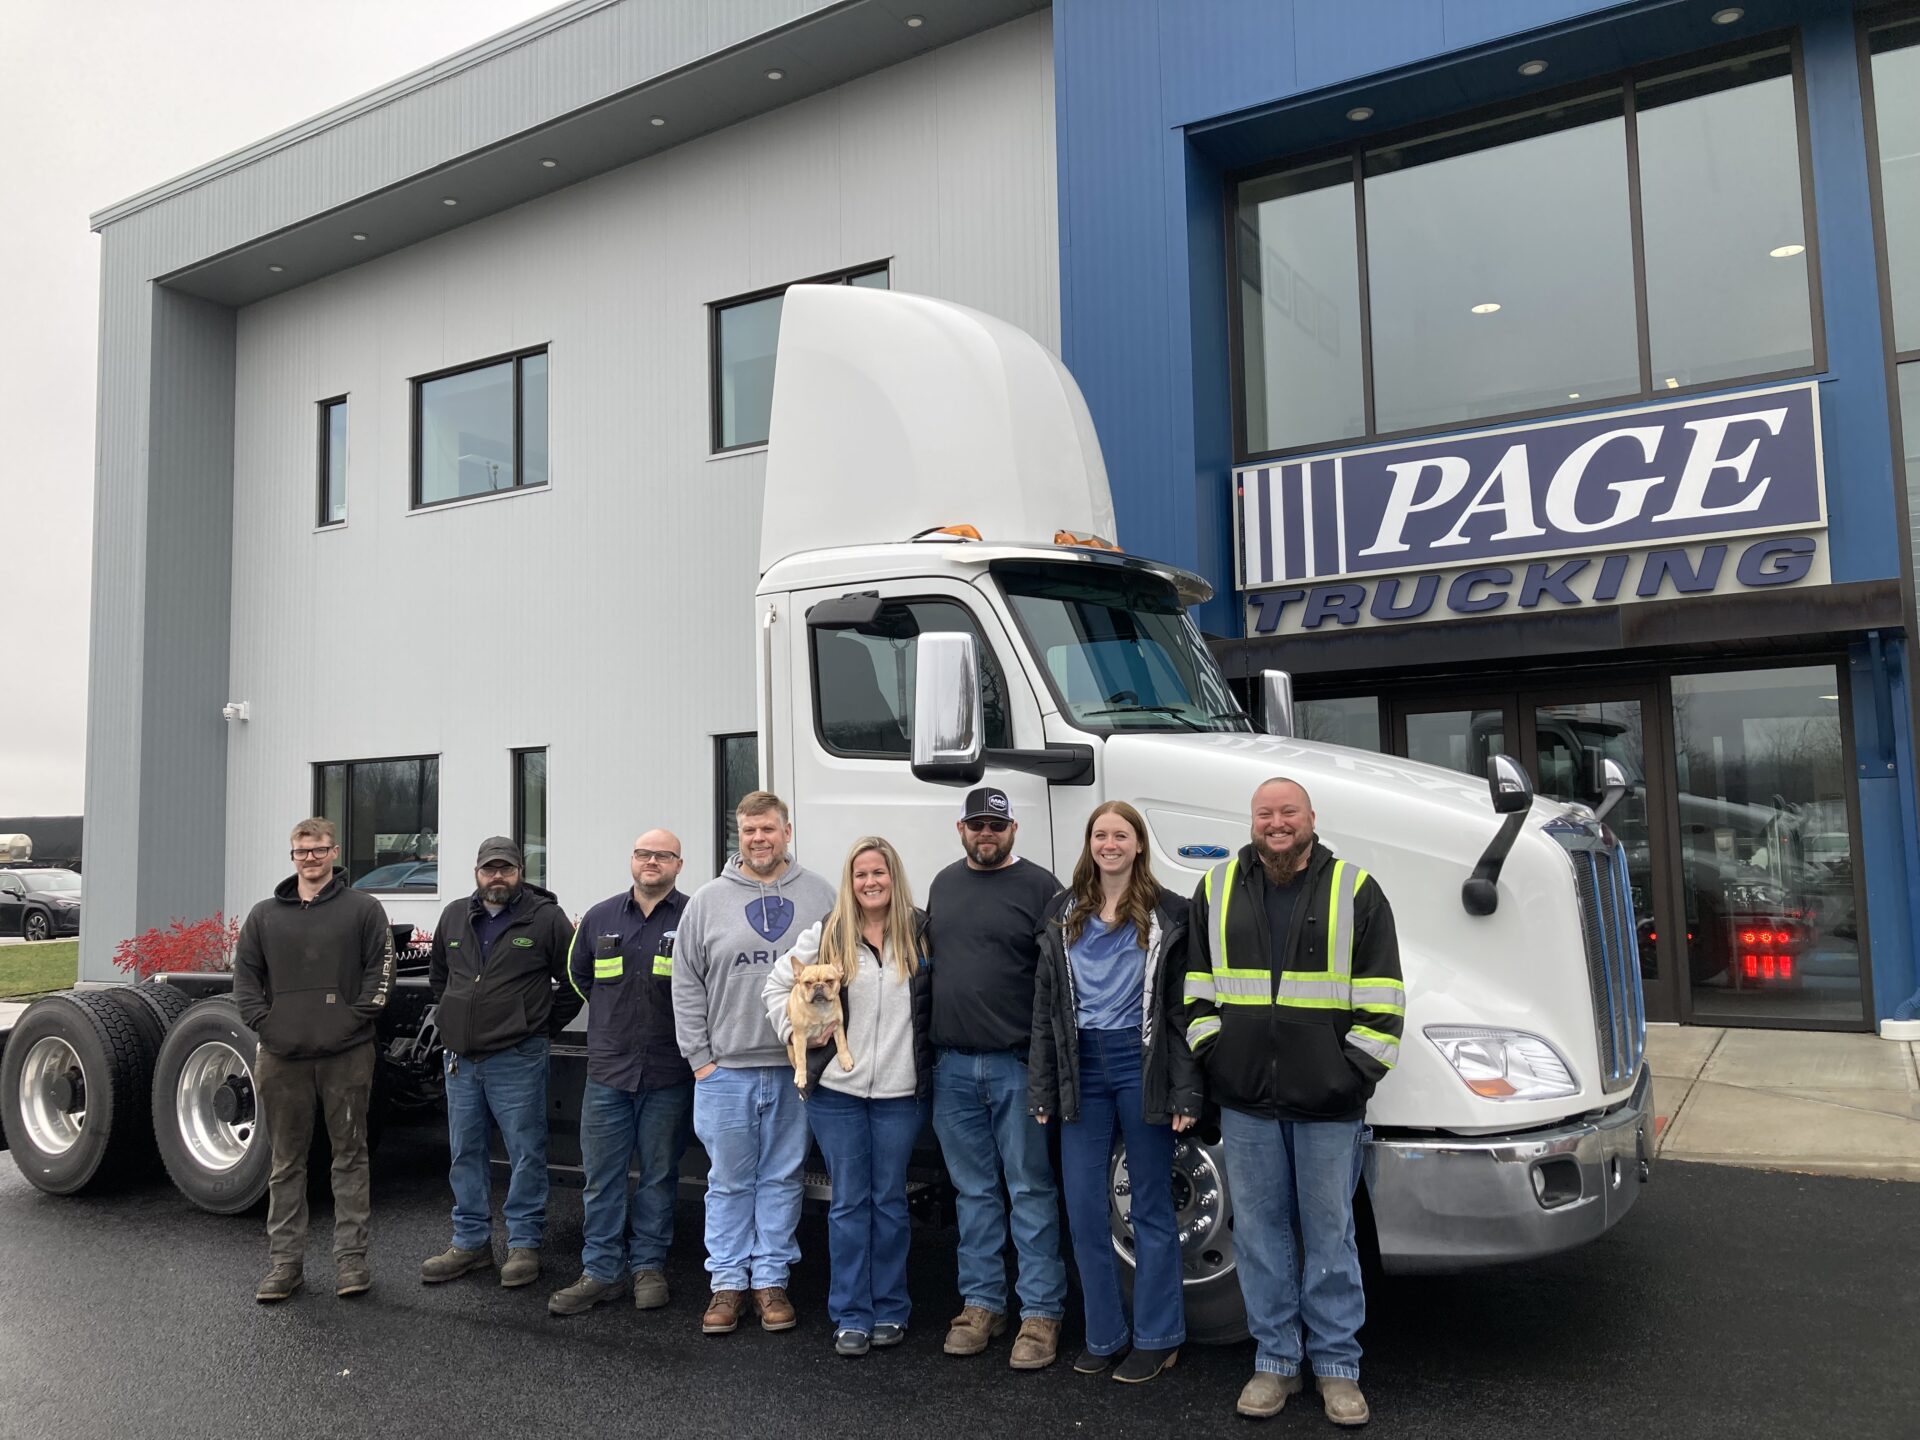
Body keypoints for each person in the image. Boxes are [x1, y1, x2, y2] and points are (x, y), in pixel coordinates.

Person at [1182, 779, 1405, 1427]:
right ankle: (1276, 1362)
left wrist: (1351, 1077)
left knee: (1331, 1237)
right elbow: (1195, 989)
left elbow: (1385, 996)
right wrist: (1217, 1060)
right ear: (1251, 821)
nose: (1276, 823)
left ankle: (1337, 1368)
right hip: (1248, 1101)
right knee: (1258, 1235)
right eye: (1264, 814)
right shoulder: (1217, 888)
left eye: (1288, 812)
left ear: (1311, 818)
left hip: (1329, 1104)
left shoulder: (1355, 889)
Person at [1029, 801, 1199, 1384]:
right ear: (1090, 843)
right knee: (1082, 1207)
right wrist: (1043, 1087)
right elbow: (1045, 1012)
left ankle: (1158, 1337)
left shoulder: (1168, 912)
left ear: (1138, 845)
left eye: (1120, 835)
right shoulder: (1061, 912)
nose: (1110, 844)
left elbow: (1180, 1012)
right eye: (1100, 835)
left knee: (1151, 1205)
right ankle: (1104, 1334)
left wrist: (1185, 1091)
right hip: (1083, 1067)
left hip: (1139, 1061)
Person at [672, 791, 835, 1336]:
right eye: (748, 831)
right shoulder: (707, 900)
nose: (758, 839)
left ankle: (770, 1281)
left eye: (768, 829)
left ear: (787, 831)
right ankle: (726, 1284)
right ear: (737, 836)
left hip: (796, 1069)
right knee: (729, 1181)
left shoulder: (818, 895)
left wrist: (826, 1050)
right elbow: (686, 983)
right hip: (726, 1070)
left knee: (784, 1177)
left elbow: (840, 973)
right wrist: (700, 1061)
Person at [762, 836, 932, 1357]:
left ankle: (892, 1309)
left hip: (900, 1093)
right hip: (838, 1093)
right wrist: (796, 1033)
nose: (870, 882)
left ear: (893, 876)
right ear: (849, 881)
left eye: (879, 872)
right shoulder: (828, 932)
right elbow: (775, 987)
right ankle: (851, 1314)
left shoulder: (921, 932)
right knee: (849, 1203)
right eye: (860, 874)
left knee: (890, 1203)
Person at [926, 786, 1067, 1369]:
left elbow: (1060, 983)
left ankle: (1040, 1313)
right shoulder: (941, 884)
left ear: (1013, 831)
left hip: (1017, 1067)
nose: (987, 834)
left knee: (1030, 1189)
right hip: (952, 1067)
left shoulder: (1042, 889)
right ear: (961, 829)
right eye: (977, 825)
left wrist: (1047, 1069)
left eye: (997, 826)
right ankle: (982, 1304)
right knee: (974, 1194)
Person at [232, 817, 397, 1303]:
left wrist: (350, 1021)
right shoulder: (264, 916)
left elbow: (379, 974)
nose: (311, 858)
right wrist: (266, 1023)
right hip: (281, 1058)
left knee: (350, 1156)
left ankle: (351, 1261)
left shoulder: (364, 909)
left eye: (320, 850)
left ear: (334, 852)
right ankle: (285, 1265)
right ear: (293, 856)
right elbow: (245, 979)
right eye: (303, 852)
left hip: (347, 1055)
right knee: (286, 1162)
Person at [421, 837, 580, 1290]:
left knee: (526, 1153)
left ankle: (524, 1245)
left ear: (519, 872)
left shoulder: (545, 919)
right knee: (464, 1153)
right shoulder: (454, 914)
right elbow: (440, 976)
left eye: (506, 869)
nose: (497, 877)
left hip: (518, 1057)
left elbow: (575, 978)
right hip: (462, 1060)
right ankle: (470, 1243)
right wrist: (453, 1019)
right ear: (477, 872)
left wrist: (540, 1025)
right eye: (489, 869)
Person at [548, 830, 695, 1317]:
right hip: (608, 1072)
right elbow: (578, 975)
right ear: (632, 860)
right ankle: (601, 1272)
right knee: (602, 1177)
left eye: (662, 855)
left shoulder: (694, 916)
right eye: (643, 854)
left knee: (658, 1176)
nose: (651, 861)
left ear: (678, 864)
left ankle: (649, 1267)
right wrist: (613, 1021)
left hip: (669, 1071)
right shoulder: (599, 916)